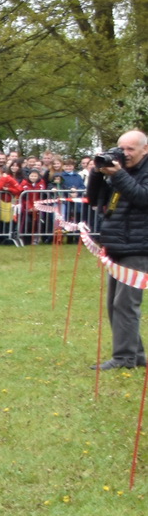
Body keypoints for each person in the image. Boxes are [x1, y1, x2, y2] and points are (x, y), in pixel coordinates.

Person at [91, 130, 148, 370]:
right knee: (114, 303)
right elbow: (95, 199)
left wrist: (119, 174)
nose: (124, 154)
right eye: (121, 148)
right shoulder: (118, 171)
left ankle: (124, 358)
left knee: (125, 304)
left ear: (145, 149)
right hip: (116, 244)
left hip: (139, 246)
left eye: (130, 149)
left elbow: (143, 198)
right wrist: (96, 173)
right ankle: (136, 355)